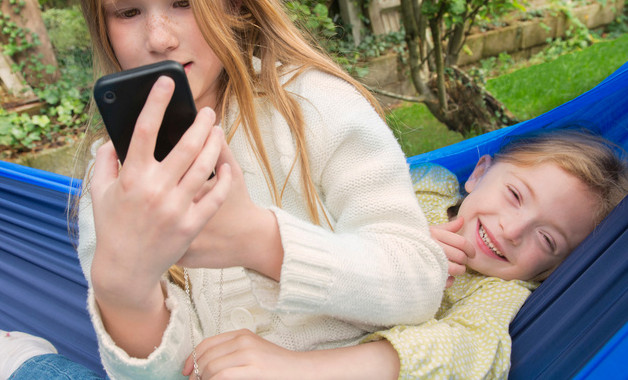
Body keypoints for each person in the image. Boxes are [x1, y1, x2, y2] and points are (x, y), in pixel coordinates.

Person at [71, 0, 448, 378]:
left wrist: (260, 241)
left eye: (183, 3)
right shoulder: (109, 183)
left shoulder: (316, 105)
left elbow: (420, 280)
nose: (159, 38)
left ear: (234, 6)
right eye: (128, 12)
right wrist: (124, 296)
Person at [171, 129, 625, 379]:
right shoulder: (425, 184)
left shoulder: (499, 293)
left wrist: (297, 370)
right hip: (246, 294)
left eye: (546, 241)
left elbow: (468, 351)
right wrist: (409, 253)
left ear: (553, 271)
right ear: (479, 172)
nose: (512, 229)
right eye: (514, 195)